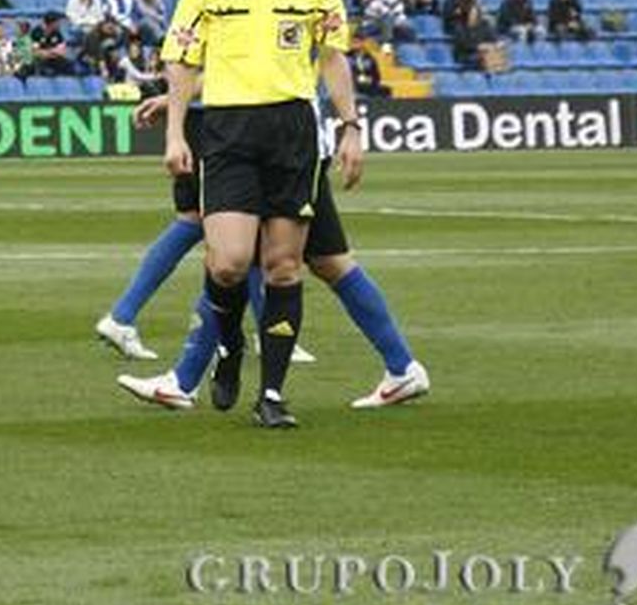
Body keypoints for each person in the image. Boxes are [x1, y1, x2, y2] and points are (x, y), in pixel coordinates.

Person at [152, 0, 361, 429]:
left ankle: (272, 394)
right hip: (227, 129)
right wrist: (175, 131)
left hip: (293, 129)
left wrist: (350, 125)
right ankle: (229, 347)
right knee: (228, 263)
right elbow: (182, 58)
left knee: (284, 267)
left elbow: (333, 55)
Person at [118, 95, 429, 412]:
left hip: (284, 139)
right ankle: (402, 367)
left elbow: (284, 63)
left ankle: (184, 380)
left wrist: (178, 99)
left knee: (238, 258)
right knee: (328, 262)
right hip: (286, 134)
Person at [94, 0, 231, 362]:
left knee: (209, 225)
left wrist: (169, 97)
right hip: (209, 118)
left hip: (209, 109)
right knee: (228, 227)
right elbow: (188, 57)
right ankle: (224, 332)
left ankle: (126, 316)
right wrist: (178, 103)